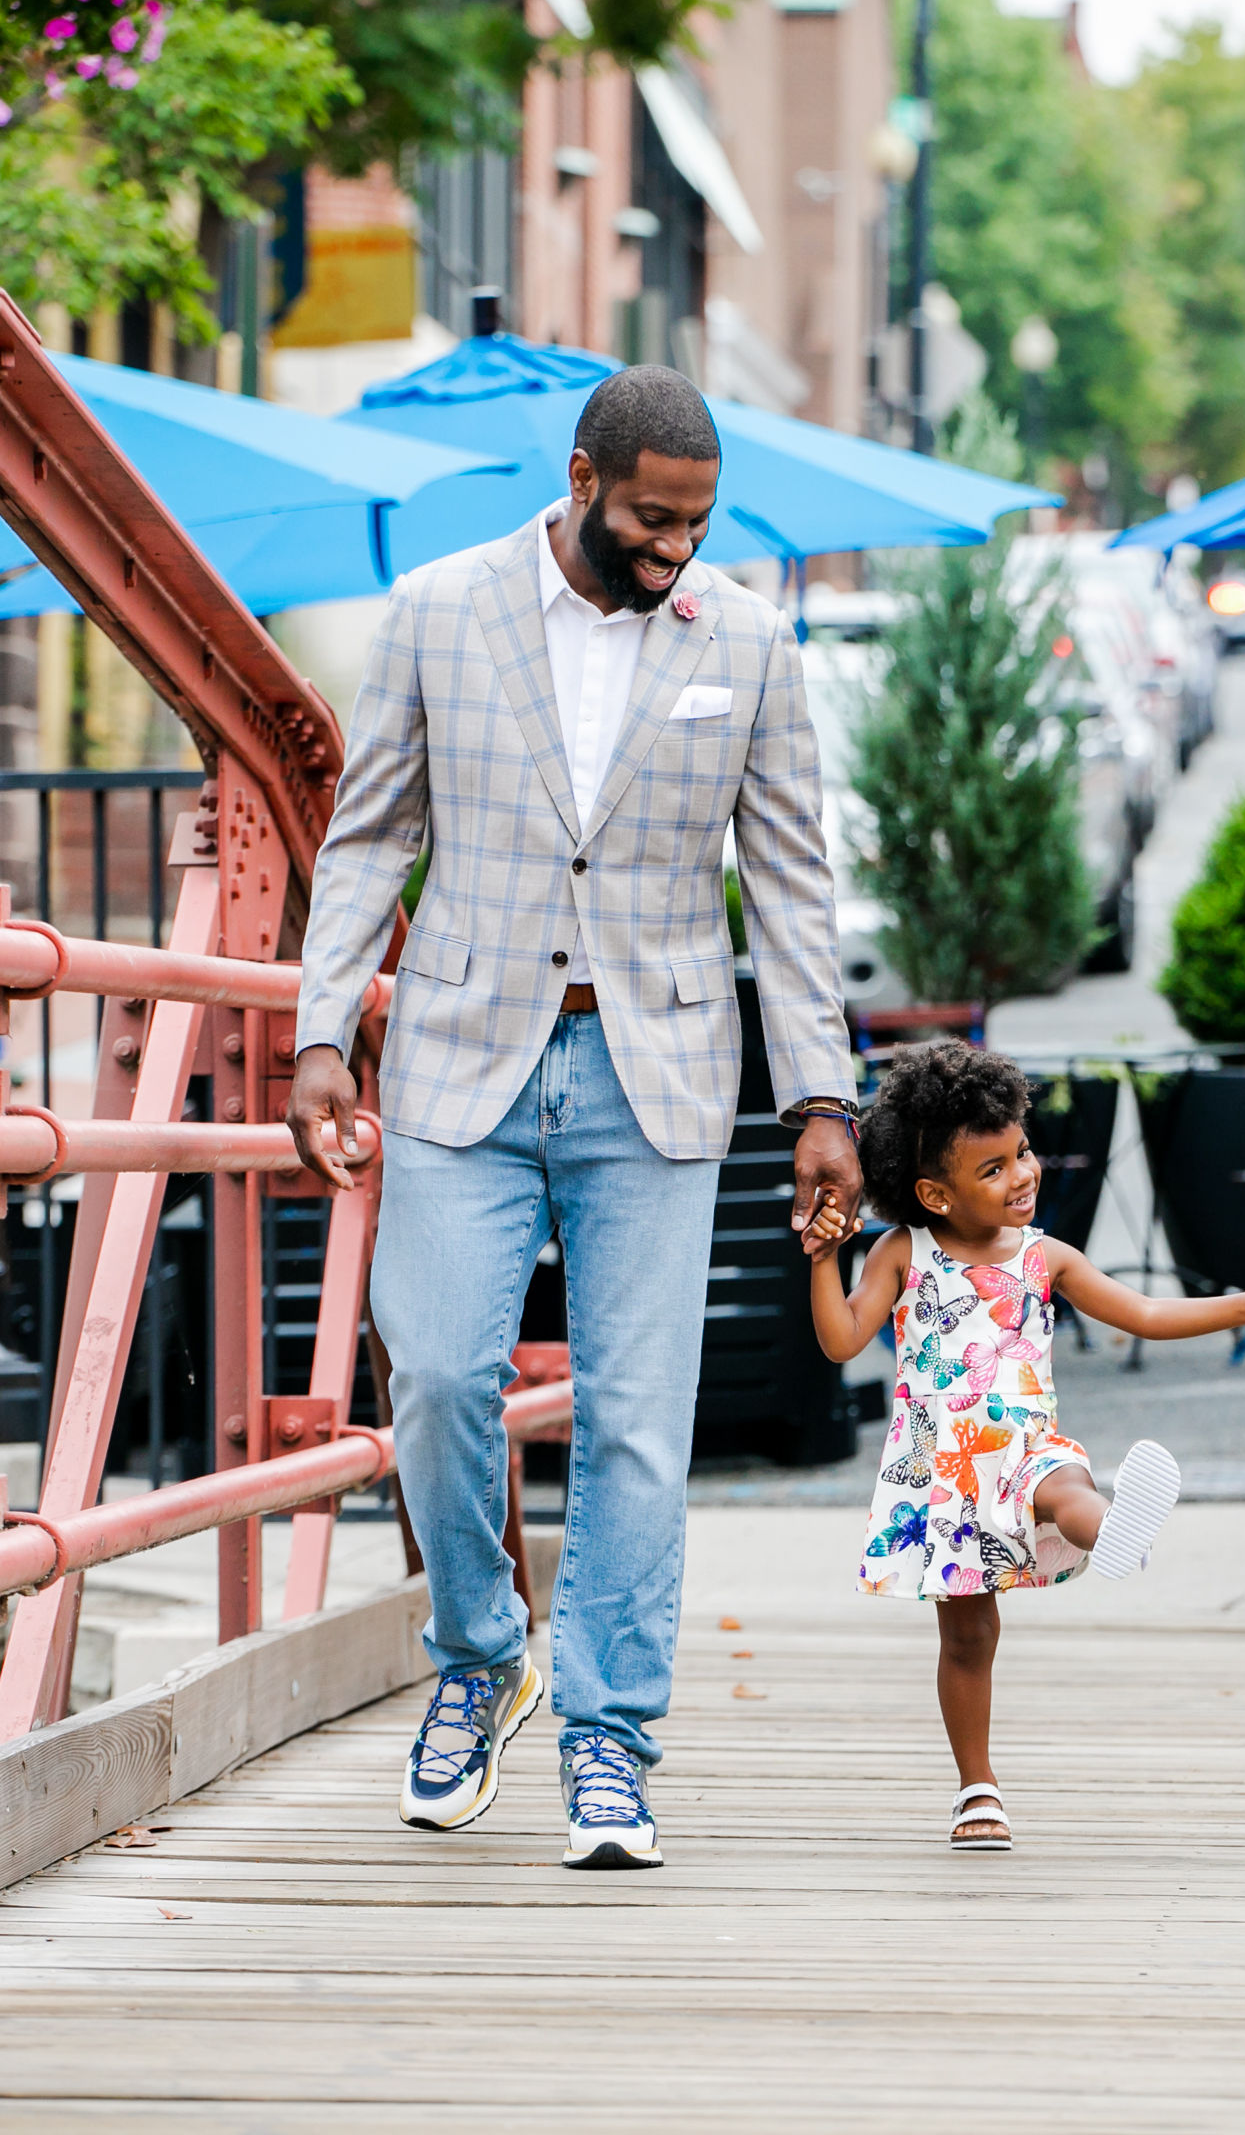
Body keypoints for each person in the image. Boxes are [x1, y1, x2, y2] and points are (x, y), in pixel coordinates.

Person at [286, 365, 862, 1872]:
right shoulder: (438, 609)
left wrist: (820, 1097)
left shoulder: (747, 638)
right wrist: (321, 1028)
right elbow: (368, 839)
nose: (676, 548)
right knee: (437, 1374)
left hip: (658, 1072)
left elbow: (794, 887)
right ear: (584, 475)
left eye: (699, 522)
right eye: (652, 519)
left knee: (633, 1425)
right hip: (465, 1059)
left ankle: (611, 1743)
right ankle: (483, 1656)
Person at [804, 1041, 1245, 1850]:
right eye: (993, 1169)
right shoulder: (900, 1255)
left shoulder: (1042, 1256)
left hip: (1025, 1443)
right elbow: (843, 1341)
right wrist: (823, 1257)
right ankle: (977, 1789)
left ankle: (1117, 1527)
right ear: (934, 1194)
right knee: (969, 1637)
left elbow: (1147, 1314)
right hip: (946, 1474)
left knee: (1064, 1486)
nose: (1022, 1173)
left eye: (1021, 1152)